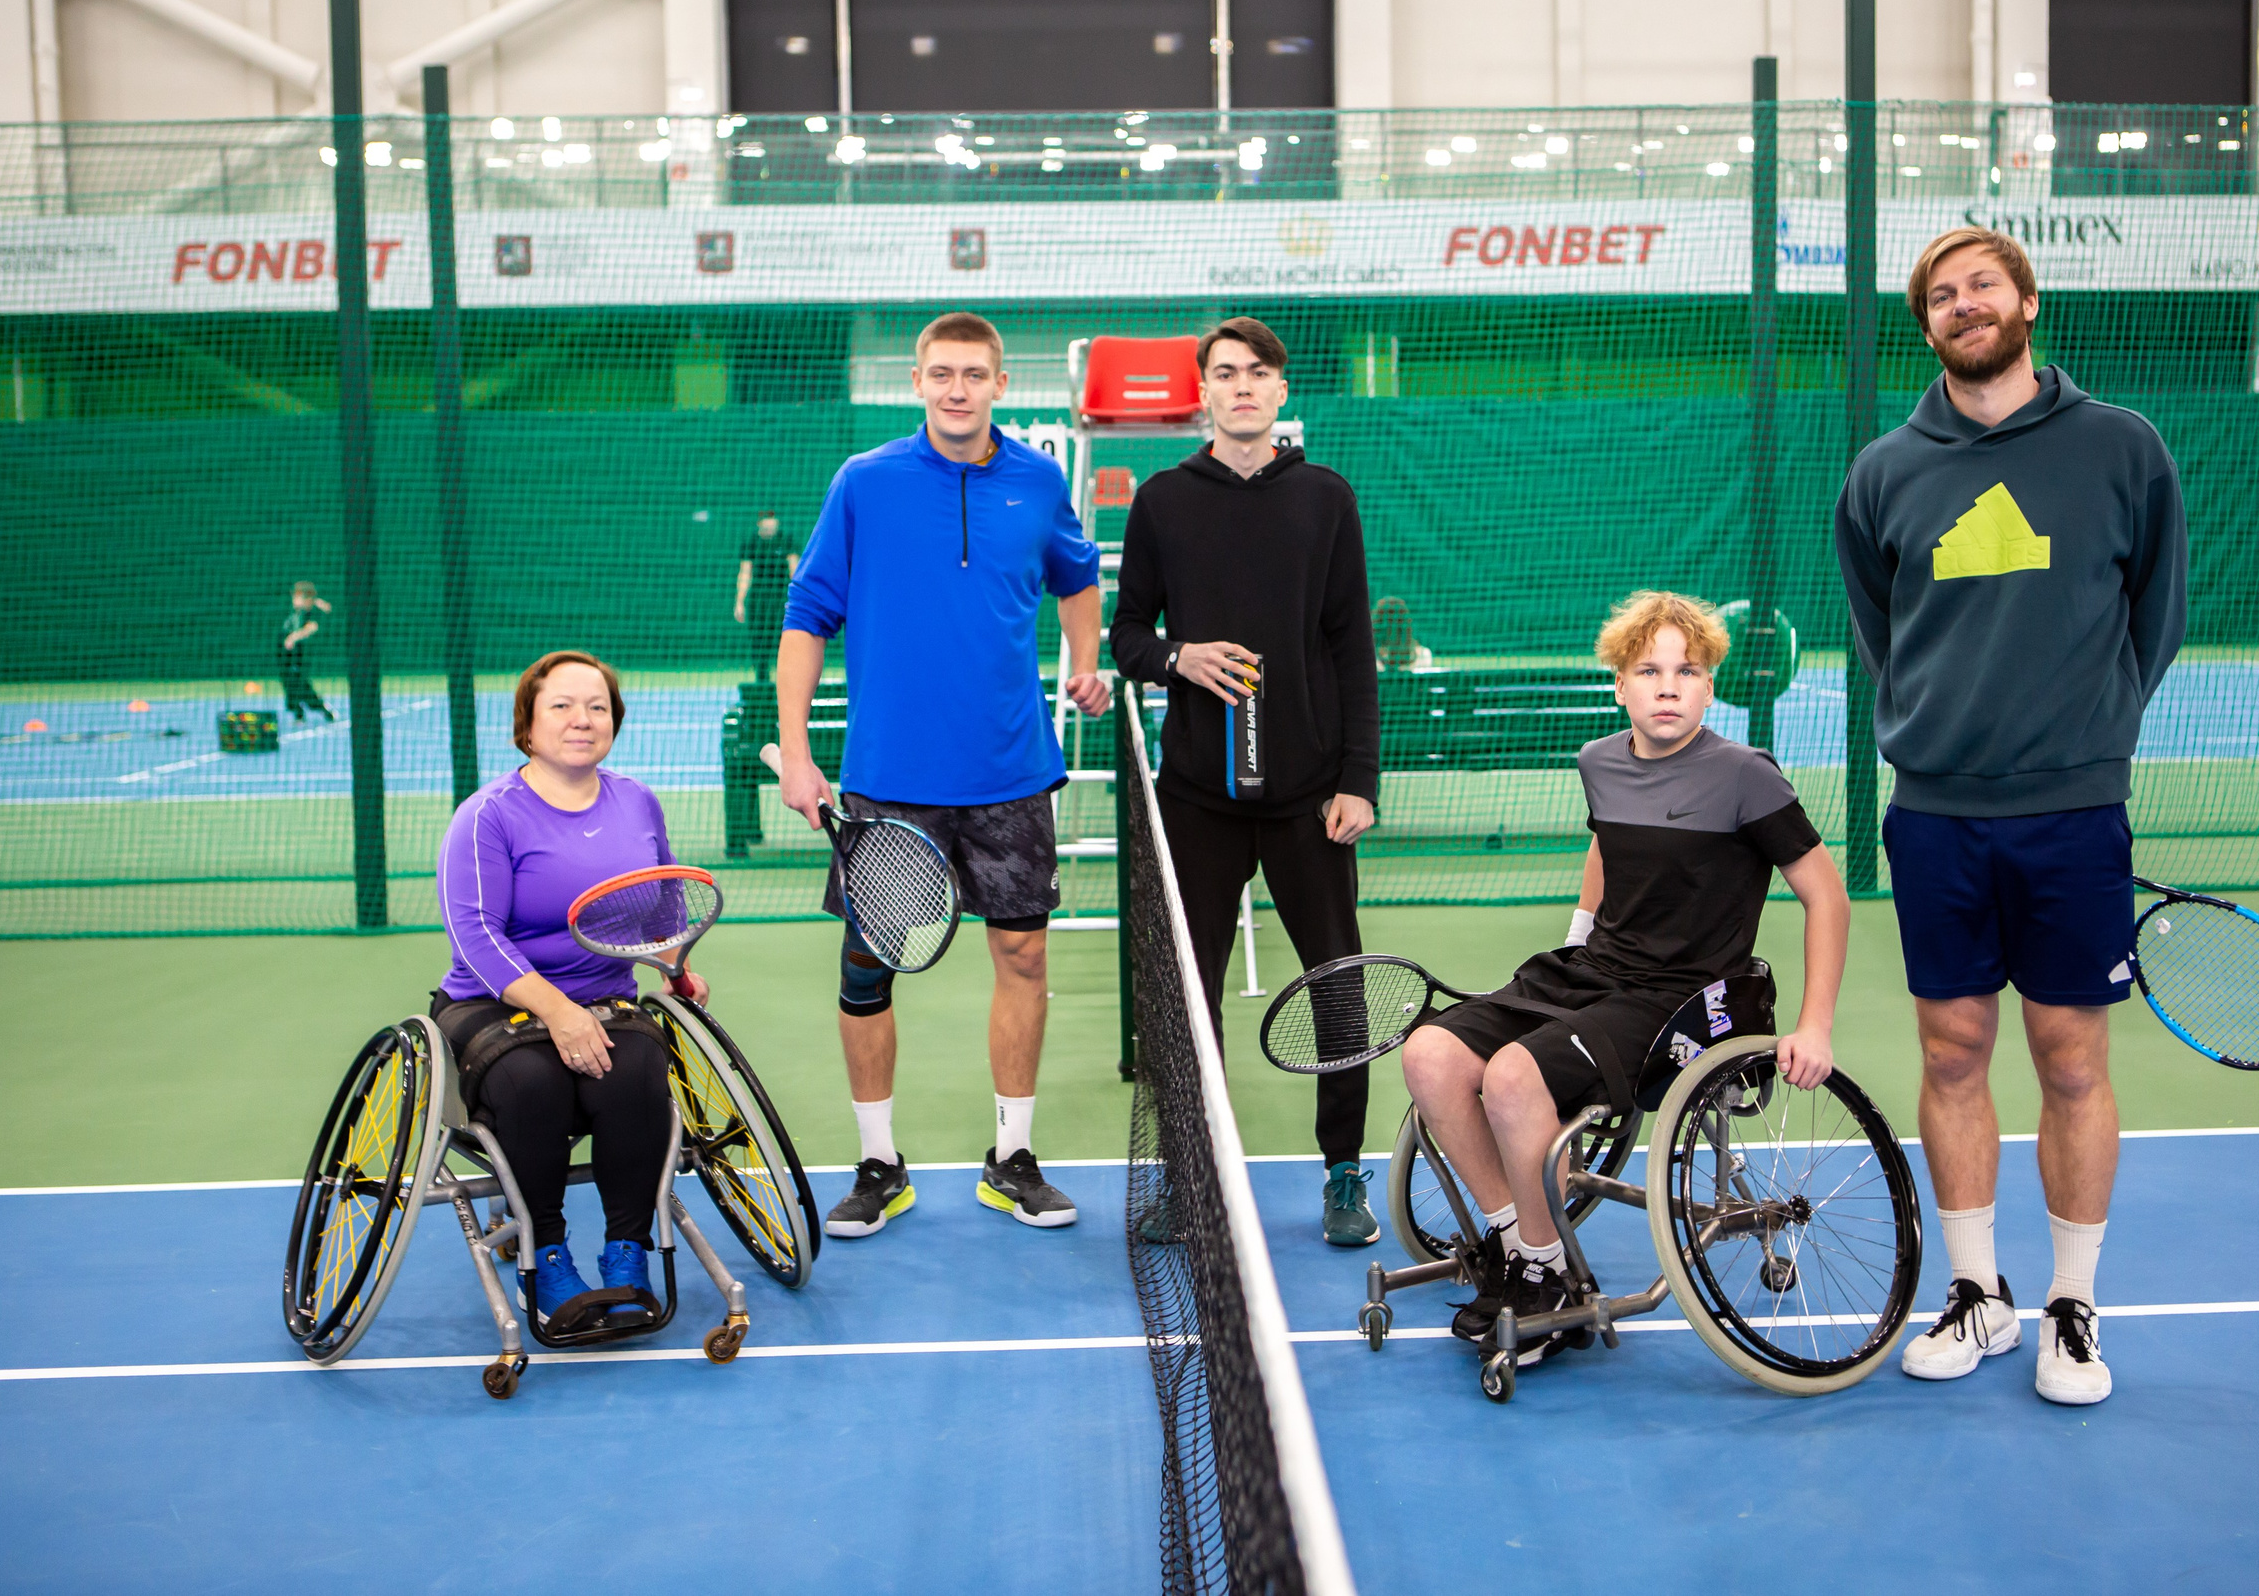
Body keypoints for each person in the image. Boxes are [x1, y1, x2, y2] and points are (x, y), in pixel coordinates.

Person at [1835, 226, 2187, 1408]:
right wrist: (1947, 731)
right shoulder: (1884, 470)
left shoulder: (2120, 449)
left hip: (2072, 814)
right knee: (1951, 1049)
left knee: (2071, 1057)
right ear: (1926, 325)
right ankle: (1978, 1292)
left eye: (1980, 284)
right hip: (1935, 816)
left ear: (2026, 301)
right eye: (1940, 295)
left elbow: (2157, 613)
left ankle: (2071, 1307)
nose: (1961, 304)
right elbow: (1884, 633)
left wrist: (2087, 735)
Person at [1399, 591, 1849, 1373]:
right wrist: (1578, 934)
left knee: (1511, 1077)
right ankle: (1521, 1242)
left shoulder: (1748, 777)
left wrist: (1814, 1024)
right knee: (1430, 1053)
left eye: (1688, 670)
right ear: (1620, 685)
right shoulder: (1599, 761)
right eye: (1649, 670)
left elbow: (1827, 896)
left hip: (1684, 999)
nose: (1668, 686)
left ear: (1711, 686)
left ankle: (1543, 1277)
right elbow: (1608, 845)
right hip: (1595, 971)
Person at [776, 311, 1112, 1238]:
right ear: (917, 381)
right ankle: (879, 1163)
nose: (957, 389)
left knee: (1024, 955)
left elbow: (1078, 576)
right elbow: (808, 616)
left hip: (1010, 774)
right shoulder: (865, 483)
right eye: (940, 373)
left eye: (974, 374)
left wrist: (1085, 657)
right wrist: (798, 755)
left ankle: (1012, 1157)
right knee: (868, 969)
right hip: (889, 779)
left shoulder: (1041, 481)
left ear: (1002, 384)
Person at [1109, 316, 1384, 1246]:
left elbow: (1353, 650)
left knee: (1338, 985)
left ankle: (1345, 1173)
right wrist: (1178, 657)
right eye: (1224, 373)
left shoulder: (1325, 498)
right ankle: (1196, 1176)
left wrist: (1358, 780)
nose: (1241, 387)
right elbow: (1127, 636)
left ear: (1278, 391)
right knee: (1190, 996)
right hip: (1197, 803)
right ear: (1204, 391)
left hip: (1311, 801)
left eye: (1257, 373)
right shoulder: (1161, 501)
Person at [432, 650, 707, 1327]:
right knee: (535, 1085)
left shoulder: (637, 799)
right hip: (490, 1004)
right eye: (561, 706)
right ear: (527, 724)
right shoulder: (487, 815)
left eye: (597, 707)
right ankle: (546, 1254)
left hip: (604, 996)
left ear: (615, 720)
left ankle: (626, 1250)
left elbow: (662, 903)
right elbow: (474, 933)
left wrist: (673, 967)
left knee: (638, 1068)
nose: (582, 719)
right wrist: (557, 1012)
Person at [734, 510, 798, 681]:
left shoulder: (786, 540)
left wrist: (799, 597)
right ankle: (762, 684)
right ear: (759, 523)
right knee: (760, 642)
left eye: (773, 520)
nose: (770, 523)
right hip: (759, 601)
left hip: (781, 600)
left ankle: (787, 682)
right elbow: (745, 573)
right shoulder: (751, 543)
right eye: (766, 520)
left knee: (784, 641)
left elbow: (795, 571)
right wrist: (739, 602)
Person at [277, 581, 334, 723]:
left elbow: (311, 628)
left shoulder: (310, 613)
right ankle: (298, 712)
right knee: (289, 683)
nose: (295, 599)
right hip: (284, 656)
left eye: (298, 596)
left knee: (300, 684)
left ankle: (321, 708)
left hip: (298, 655)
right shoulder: (293, 611)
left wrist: (292, 638)